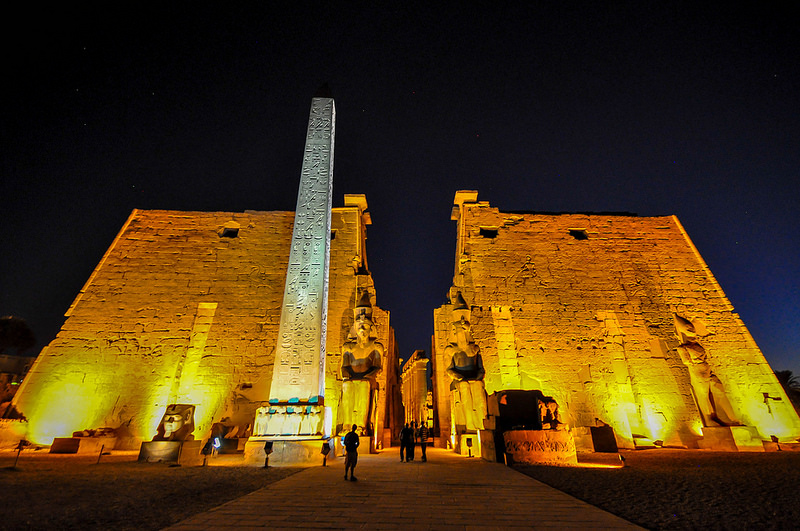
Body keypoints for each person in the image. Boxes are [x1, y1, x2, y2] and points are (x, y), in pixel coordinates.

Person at [339, 292, 384, 434]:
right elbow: (344, 366)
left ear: (371, 328)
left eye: (365, 326)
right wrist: (347, 375)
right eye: (359, 326)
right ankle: (347, 425)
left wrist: (368, 376)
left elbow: (377, 367)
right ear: (355, 329)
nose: (362, 329)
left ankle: (360, 425)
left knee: (363, 386)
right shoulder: (348, 347)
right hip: (352, 377)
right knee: (347, 386)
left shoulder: (376, 346)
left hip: (366, 379)